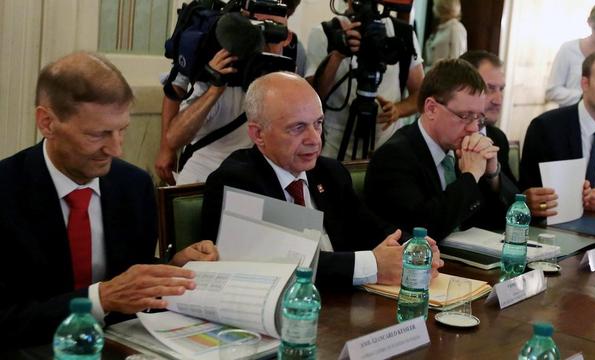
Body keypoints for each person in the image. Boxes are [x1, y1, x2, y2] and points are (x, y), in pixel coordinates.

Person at [0, 52, 218, 350]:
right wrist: (99, 299)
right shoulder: (6, 190)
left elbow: (126, 276)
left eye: (122, 130)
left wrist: (170, 267)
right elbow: (5, 319)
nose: (116, 150)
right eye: (98, 135)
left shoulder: (132, 186)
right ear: (47, 123)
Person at [200, 72, 444, 288]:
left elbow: (371, 228)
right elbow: (282, 266)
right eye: (297, 128)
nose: (314, 139)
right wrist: (371, 265)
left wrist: (415, 248)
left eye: (318, 124)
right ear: (258, 134)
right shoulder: (236, 181)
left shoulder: (330, 173)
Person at [155, 0, 307, 185]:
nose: (263, 43)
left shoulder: (292, 76)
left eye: (274, 32)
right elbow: (174, 134)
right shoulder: (223, 71)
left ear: (288, 37)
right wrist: (215, 89)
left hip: (256, 183)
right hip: (206, 178)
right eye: (257, 29)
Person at [364, 59, 518, 241]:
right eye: (465, 116)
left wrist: (492, 175)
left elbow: (509, 222)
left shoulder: (460, 150)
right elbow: (425, 230)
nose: (474, 128)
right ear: (431, 109)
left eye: (478, 117)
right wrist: (470, 176)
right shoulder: (394, 158)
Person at [306, 0, 424, 159]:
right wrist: (338, 53)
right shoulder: (325, 33)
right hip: (334, 151)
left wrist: (398, 109)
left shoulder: (402, 33)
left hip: (386, 151)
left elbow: (422, 94)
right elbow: (311, 96)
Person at [520, 49, 595, 218]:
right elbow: (528, 194)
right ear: (584, 83)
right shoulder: (546, 126)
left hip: (594, 224)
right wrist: (580, 198)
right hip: (548, 225)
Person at [459, 50, 516, 184]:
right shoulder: (448, 137)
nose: (498, 100)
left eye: (501, 89)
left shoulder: (498, 138)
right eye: (489, 88)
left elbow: (511, 195)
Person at [423, 0, 467, 72]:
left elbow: (457, 62)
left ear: (443, 8)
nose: (433, 8)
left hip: (444, 79)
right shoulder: (441, 27)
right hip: (431, 76)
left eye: (435, 5)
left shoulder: (455, 28)